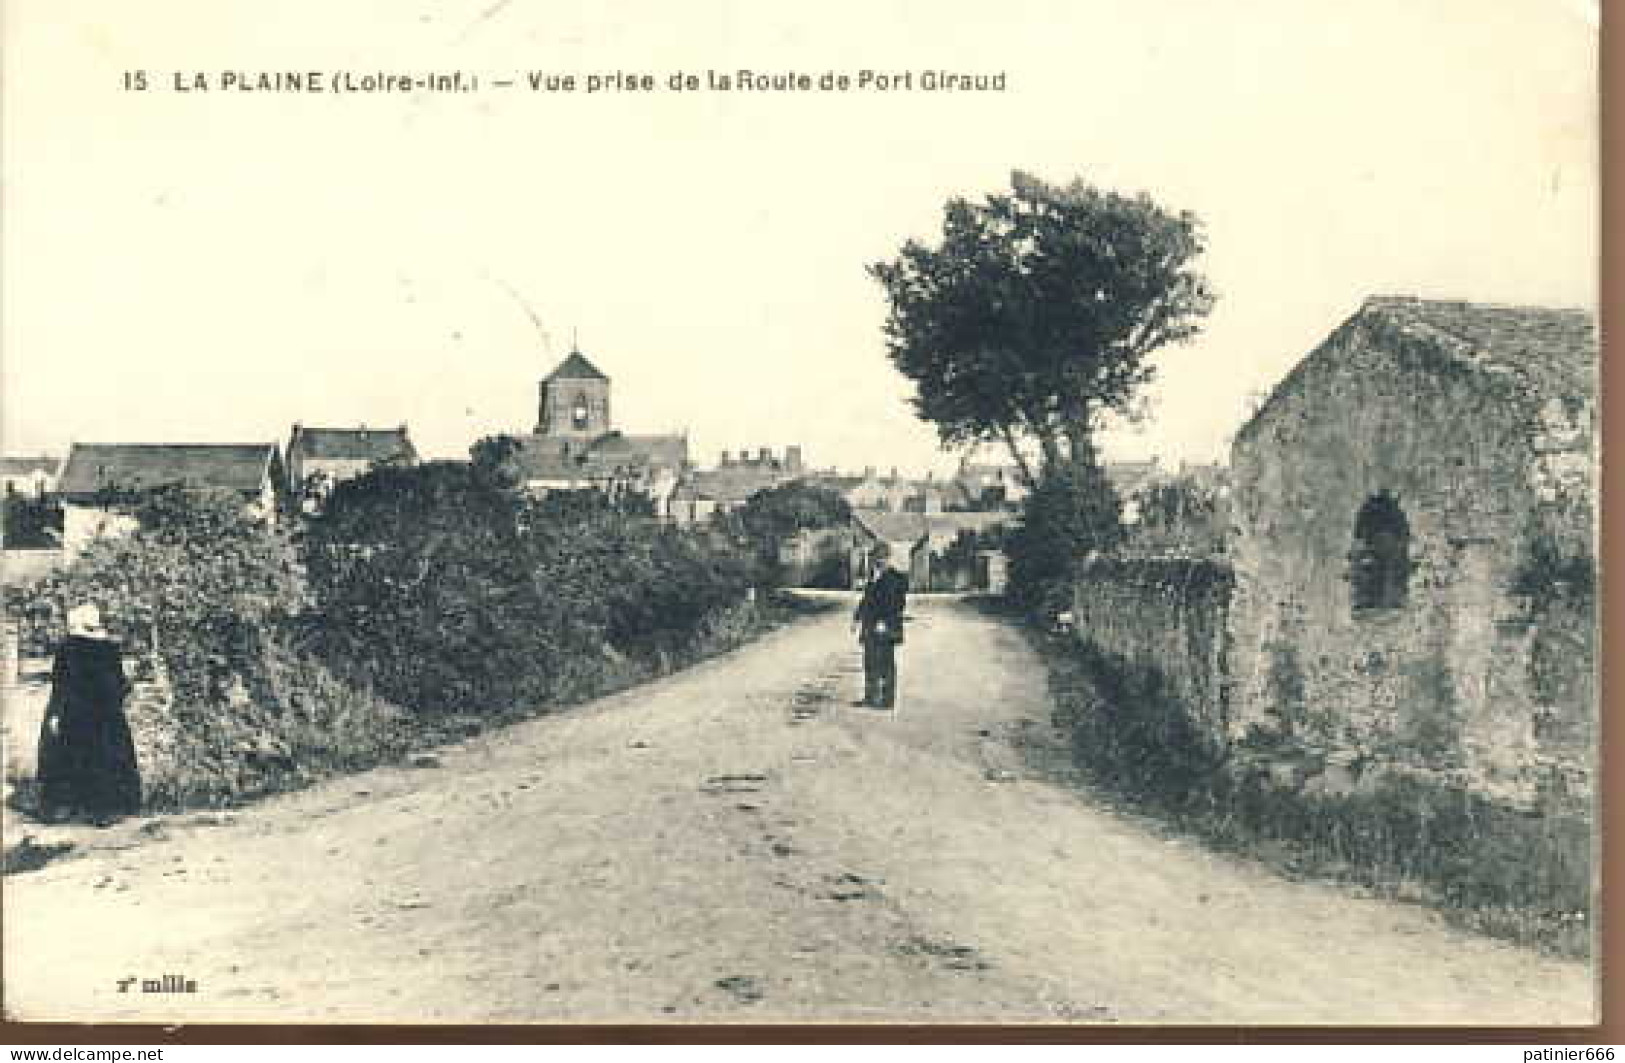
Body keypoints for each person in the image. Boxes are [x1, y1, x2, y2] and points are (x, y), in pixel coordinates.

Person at [36, 603, 141, 826]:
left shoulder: (68, 649)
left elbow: (61, 686)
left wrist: (55, 714)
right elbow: (121, 684)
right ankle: (106, 810)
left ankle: (69, 807)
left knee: (71, 756)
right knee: (106, 758)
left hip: (76, 714)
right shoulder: (110, 649)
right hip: (106, 715)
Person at [852, 542, 909, 710]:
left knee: (886, 663)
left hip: (885, 627)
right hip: (871, 626)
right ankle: (870, 697)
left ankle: (887, 700)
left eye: (881, 558)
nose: (878, 561)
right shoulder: (874, 578)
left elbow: (897, 604)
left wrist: (884, 622)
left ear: (888, 558)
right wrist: (857, 618)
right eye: (876, 558)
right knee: (869, 661)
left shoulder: (895, 578)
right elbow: (866, 600)